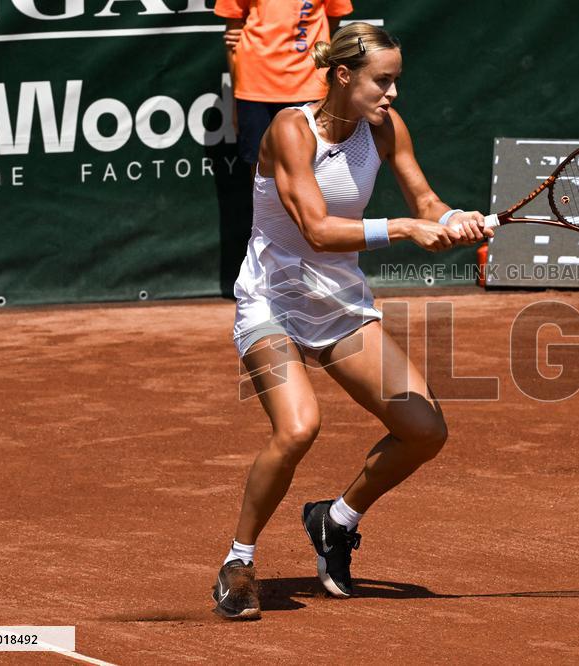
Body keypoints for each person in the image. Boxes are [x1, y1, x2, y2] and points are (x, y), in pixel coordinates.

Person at [211, 22, 494, 620]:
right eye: (381, 81)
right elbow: (316, 229)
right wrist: (405, 229)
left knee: (425, 430)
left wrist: (452, 219)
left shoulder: (384, 129)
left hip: (339, 305)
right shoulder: (292, 130)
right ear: (343, 76)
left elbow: (425, 203)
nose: (392, 94)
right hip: (273, 302)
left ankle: (335, 520)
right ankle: (239, 559)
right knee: (297, 429)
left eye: (395, 82)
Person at [213, 0, 354, 170]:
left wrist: (307, 44)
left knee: (315, 164)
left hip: (309, 83)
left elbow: (334, 15)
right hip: (254, 84)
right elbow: (233, 31)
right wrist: (236, 94)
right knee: (261, 168)